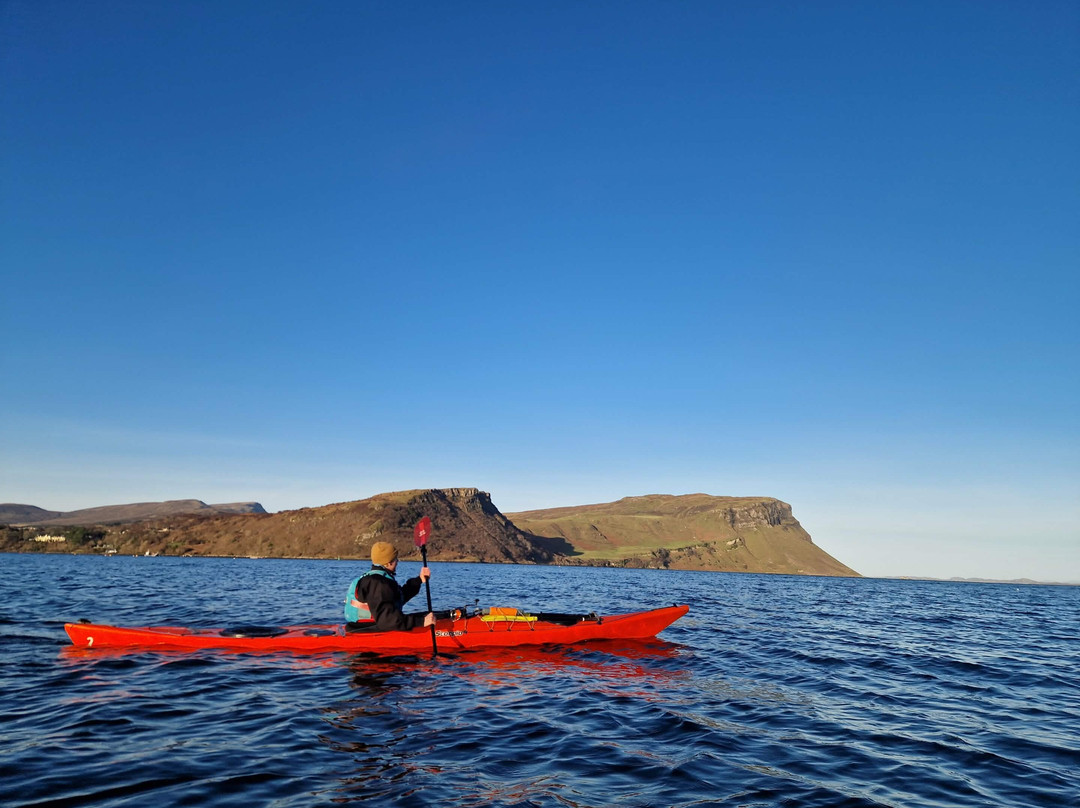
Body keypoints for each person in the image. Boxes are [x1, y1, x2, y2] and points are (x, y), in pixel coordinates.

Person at [345, 541, 435, 631]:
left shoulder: (376, 579)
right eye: (395, 559)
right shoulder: (378, 583)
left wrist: (419, 580)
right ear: (388, 563)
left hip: (372, 625)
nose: (397, 561)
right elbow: (387, 619)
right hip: (368, 629)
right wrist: (421, 622)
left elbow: (399, 598)